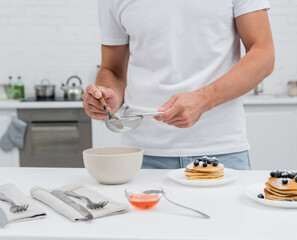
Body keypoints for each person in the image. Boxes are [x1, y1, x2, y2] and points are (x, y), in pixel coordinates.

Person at [82, 0, 275, 170]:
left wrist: (203, 99)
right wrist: (107, 95)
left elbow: (263, 55)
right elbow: (112, 70)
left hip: (221, 152)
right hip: (143, 157)